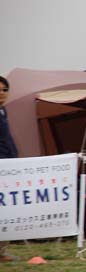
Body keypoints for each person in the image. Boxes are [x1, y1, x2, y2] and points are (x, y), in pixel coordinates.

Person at [0, 76, 19, 262]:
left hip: (8, 166)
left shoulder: (3, 111)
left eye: (5, 89)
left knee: (7, 210)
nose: (2, 93)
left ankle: (1, 252)